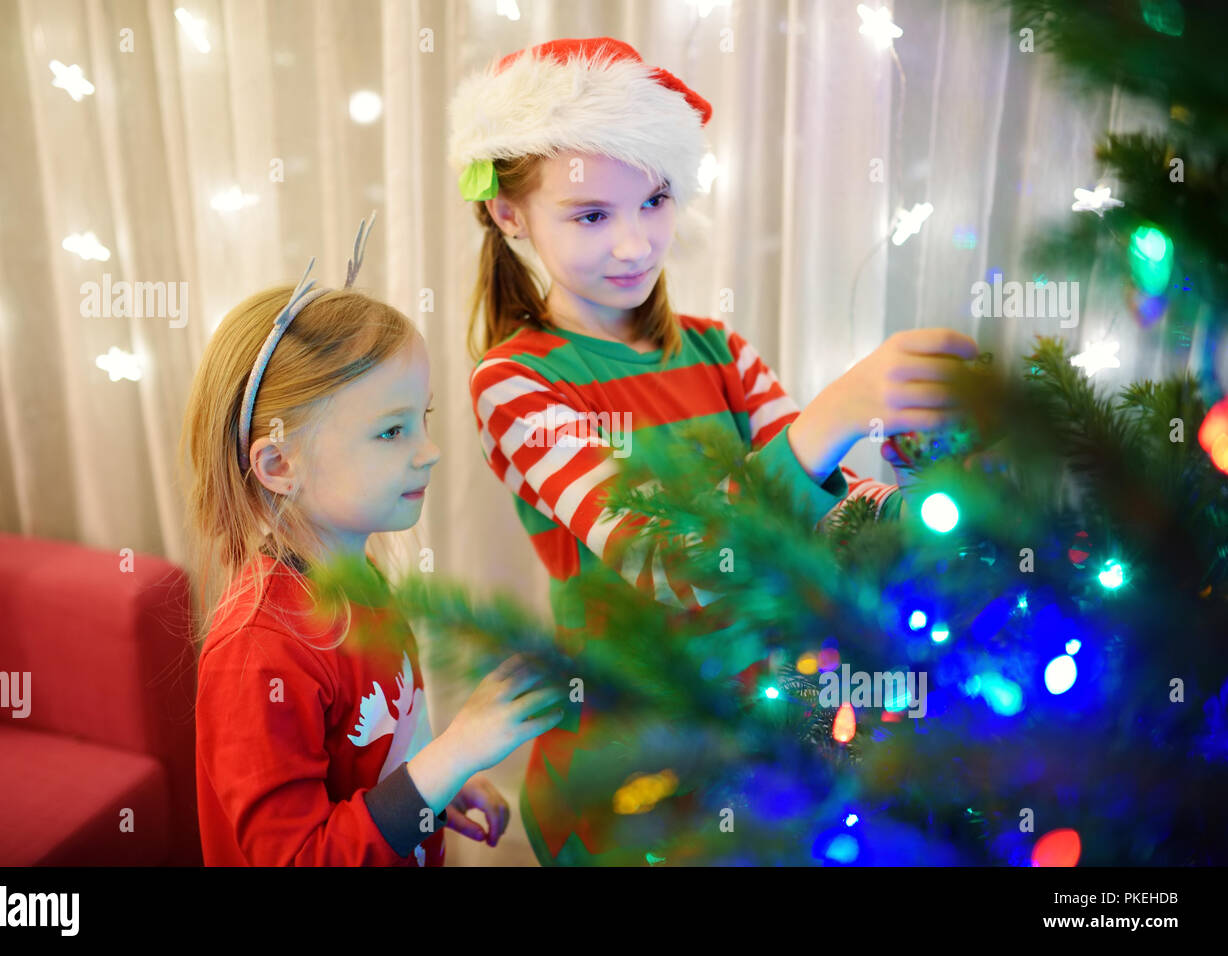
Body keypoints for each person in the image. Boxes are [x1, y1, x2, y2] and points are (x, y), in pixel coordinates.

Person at [448, 38, 980, 865]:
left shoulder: (719, 351)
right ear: (510, 216)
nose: (635, 244)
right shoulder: (515, 384)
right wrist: (838, 409)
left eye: (655, 202)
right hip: (633, 771)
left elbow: (832, 514)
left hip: (776, 741)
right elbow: (673, 563)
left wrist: (954, 504)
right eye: (592, 215)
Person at [180, 214, 565, 865]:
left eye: (425, 419)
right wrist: (456, 751)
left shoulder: (362, 584)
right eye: (392, 431)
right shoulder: (259, 652)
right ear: (279, 466)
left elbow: (373, 759)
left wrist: (438, 782)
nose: (431, 452)